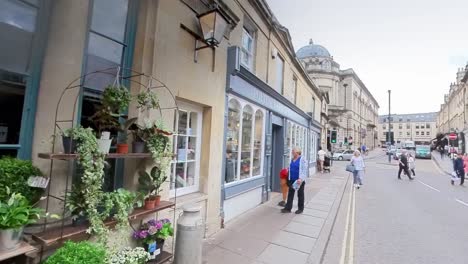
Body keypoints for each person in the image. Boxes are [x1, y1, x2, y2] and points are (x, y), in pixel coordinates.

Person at [282, 146, 308, 214]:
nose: (292, 152)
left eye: (293, 151)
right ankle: (288, 208)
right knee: (290, 194)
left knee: (300, 194)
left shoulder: (302, 159)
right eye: (292, 151)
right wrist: (288, 170)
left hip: (299, 180)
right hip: (292, 179)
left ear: (297, 152)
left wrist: (301, 178)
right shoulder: (292, 159)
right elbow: (291, 167)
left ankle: (300, 209)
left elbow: (304, 170)